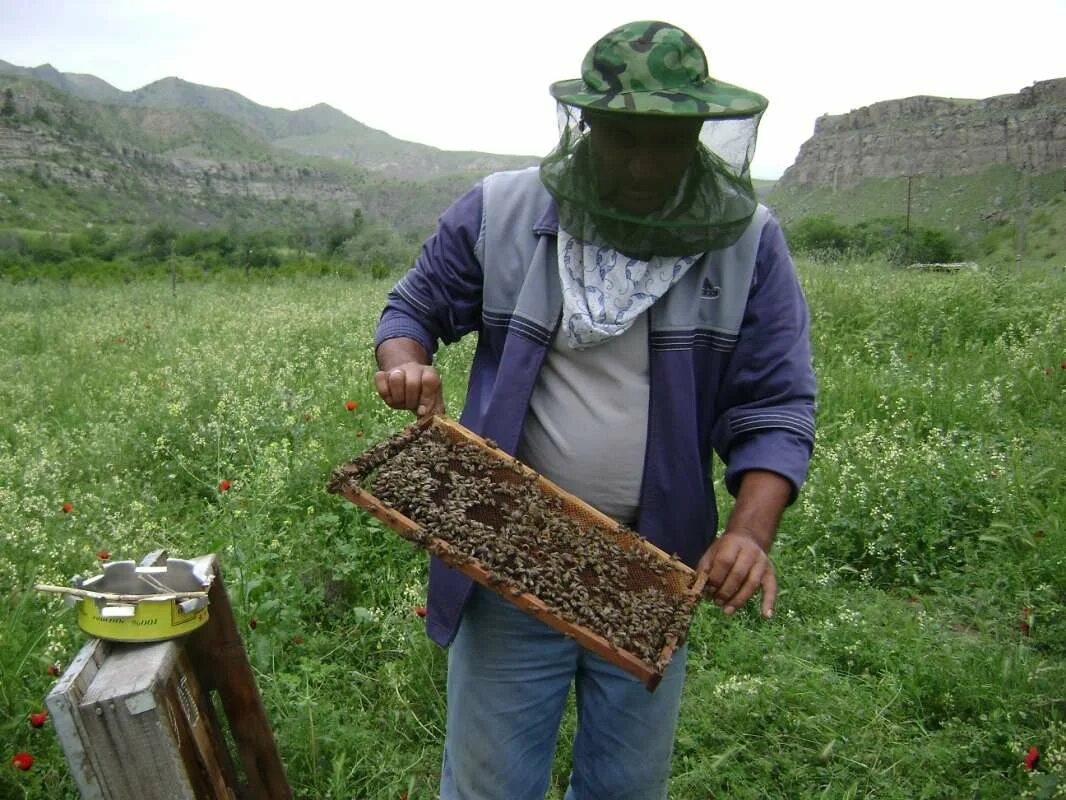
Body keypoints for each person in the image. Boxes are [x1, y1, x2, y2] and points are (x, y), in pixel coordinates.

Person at [372, 20, 815, 800]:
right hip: (511, 551)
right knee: (490, 786)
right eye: (622, 137)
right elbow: (413, 308)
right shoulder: (502, 211)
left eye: (667, 141)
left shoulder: (746, 242)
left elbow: (774, 403)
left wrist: (749, 532)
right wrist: (406, 365)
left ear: (700, 135)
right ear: (586, 126)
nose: (644, 163)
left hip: (653, 571)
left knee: (625, 787)